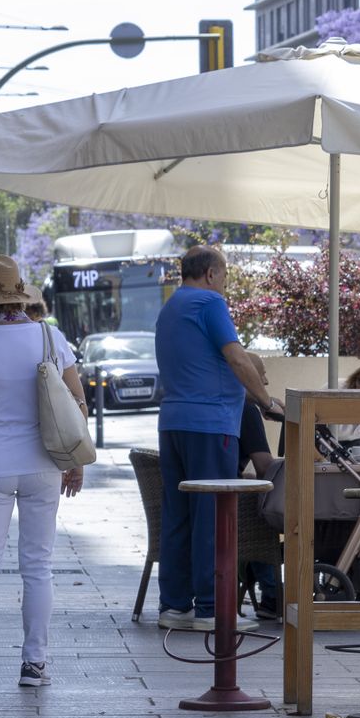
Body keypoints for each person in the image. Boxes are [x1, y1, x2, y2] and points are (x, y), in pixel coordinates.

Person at [0, 255, 88, 692]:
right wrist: (74, 461)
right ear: (17, 295)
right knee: (37, 564)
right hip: (43, 461)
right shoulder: (49, 337)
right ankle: (34, 663)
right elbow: (77, 403)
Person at [156, 245, 280, 632]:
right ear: (211, 273)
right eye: (223, 276)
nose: (224, 285)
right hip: (210, 423)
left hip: (173, 422)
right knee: (213, 517)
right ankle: (212, 608)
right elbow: (237, 357)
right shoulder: (209, 302)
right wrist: (264, 400)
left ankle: (175, 606)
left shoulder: (171, 308)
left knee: (178, 516)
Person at [237, 352, 281, 620]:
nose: (265, 381)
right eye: (260, 373)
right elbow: (265, 467)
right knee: (264, 515)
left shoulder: (226, 405)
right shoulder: (245, 409)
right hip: (233, 509)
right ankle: (272, 592)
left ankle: (257, 579)